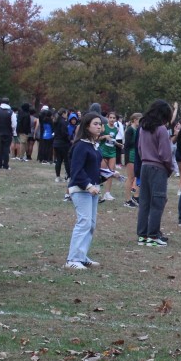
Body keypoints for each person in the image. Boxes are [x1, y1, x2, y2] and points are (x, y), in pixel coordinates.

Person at [65, 113, 103, 270]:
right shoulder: (81, 146)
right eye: (95, 124)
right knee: (84, 222)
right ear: (87, 126)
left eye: (100, 124)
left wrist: (108, 174)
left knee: (91, 224)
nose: (99, 126)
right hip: (81, 190)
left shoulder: (93, 145)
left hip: (92, 190)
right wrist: (88, 186)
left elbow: (92, 168)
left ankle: (81, 256)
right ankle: (72, 259)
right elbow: (76, 171)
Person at [136, 100, 174, 247]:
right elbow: (165, 153)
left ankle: (143, 235)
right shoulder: (161, 129)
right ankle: (153, 236)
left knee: (144, 202)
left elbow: (140, 149)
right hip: (158, 168)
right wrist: (169, 168)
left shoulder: (143, 128)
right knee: (157, 202)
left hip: (145, 166)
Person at [99, 111, 120, 202]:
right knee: (102, 172)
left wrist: (118, 144)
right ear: (107, 118)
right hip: (103, 151)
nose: (112, 119)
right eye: (110, 117)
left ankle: (107, 193)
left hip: (112, 152)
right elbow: (97, 138)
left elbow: (113, 140)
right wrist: (105, 137)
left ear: (116, 119)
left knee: (111, 173)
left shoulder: (116, 129)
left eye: (113, 118)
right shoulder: (103, 127)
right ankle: (98, 191)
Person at [122, 113, 141, 207]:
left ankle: (135, 197)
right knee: (130, 178)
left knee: (136, 177)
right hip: (130, 156)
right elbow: (127, 144)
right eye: (139, 120)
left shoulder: (138, 130)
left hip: (136, 156)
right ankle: (127, 200)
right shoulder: (130, 130)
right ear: (134, 120)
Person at [0, 98, 16, 170]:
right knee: (6, 149)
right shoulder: (11, 112)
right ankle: (5, 165)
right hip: (8, 133)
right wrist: (12, 130)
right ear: (9, 103)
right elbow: (14, 124)